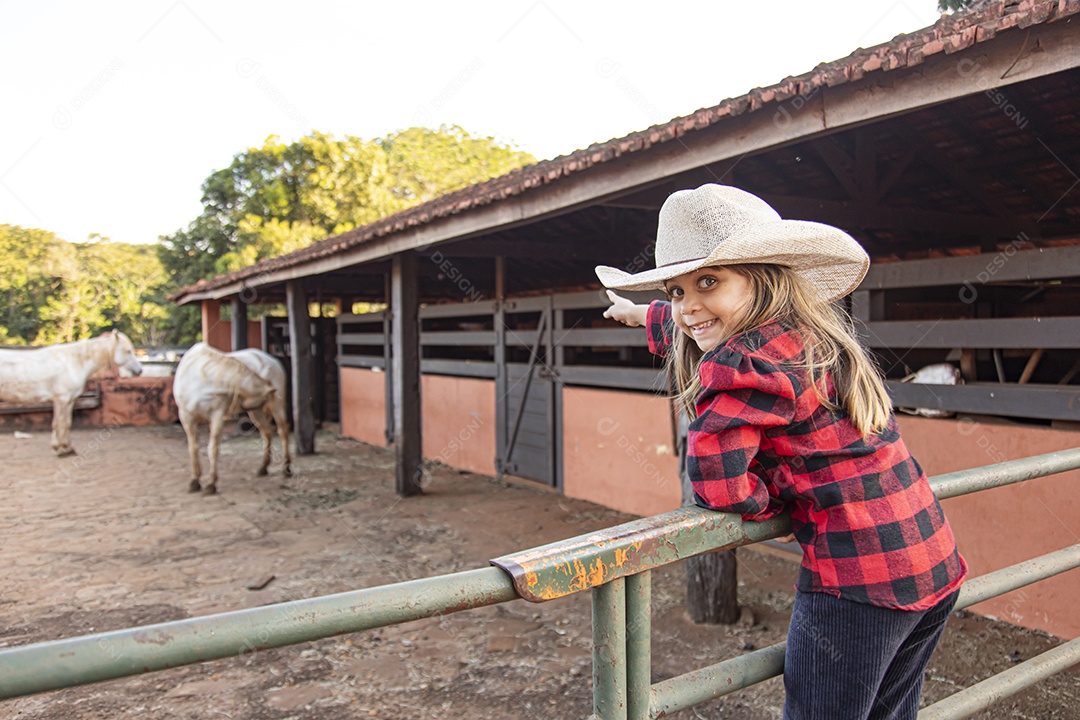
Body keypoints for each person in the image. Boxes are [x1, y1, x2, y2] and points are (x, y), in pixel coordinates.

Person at [596, 184, 966, 720]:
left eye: (706, 281)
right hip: (931, 558)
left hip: (858, 584)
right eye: (676, 291)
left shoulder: (742, 363)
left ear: (765, 278)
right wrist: (643, 314)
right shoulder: (811, 336)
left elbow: (719, 483)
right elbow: (700, 321)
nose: (687, 305)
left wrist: (768, 504)